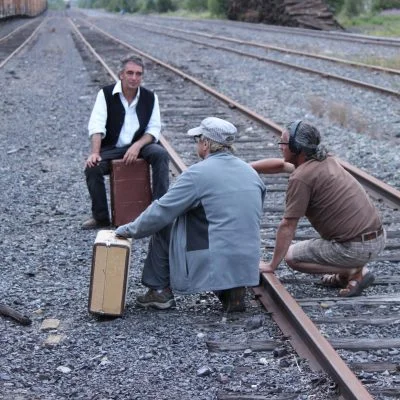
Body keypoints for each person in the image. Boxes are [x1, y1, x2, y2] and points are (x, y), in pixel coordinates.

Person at [115, 117, 270, 312]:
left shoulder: (197, 174)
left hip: (215, 259)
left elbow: (161, 212)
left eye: (197, 139)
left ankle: (159, 291)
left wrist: (128, 230)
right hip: (247, 261)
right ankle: (232, 288)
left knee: (166, 223)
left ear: (206, 144)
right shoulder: (250, 172)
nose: (197, 144)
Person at [254, 120, 386, 297]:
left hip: (355, 247)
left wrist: (271, 265)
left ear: (296, 147)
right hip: (377, 239)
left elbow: (288, 226)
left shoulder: (301, 178)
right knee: (299, 251)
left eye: (284, 142)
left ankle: (354, 271)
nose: (281, 146)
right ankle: (354, 269)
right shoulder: (323, 158)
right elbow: (281, 165)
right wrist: (246, 168)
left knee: (292, 257)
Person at [82, 55, 169, 230]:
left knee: (160, 154)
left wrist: (137, 145)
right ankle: (101, 218)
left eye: (138, 74)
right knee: (92, 167)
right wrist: (95, 153)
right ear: (121, 74)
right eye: (130, 73)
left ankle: (159, 213)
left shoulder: (150, 97)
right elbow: (97, 126)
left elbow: (153, 130)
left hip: (141, 145)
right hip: (114, 147)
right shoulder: (105, 94)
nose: (134, 78)